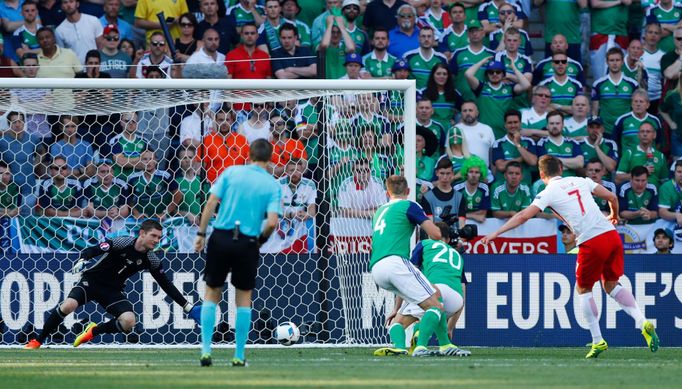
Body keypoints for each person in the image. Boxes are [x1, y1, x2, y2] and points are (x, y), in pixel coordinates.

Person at [482, 155, 660, 358]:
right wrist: (614, 216)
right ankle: (642, 320)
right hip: (612, 237)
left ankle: (597, 340)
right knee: (610, 284)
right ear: (561, 168)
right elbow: (612, 196)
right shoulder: (581, 181)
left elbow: (523, 216)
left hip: (592, 241)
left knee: (583, 289)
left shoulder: (547, 192)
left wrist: (496, 233)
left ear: (541, 175)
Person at [24, 219, 202, 349]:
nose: (156, 240)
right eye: (153, 236)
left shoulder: (151, 259)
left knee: (129, 321)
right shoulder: (122, 242)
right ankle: (38, 341)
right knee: (68, 305)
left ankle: (93, 331)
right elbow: (93, 249)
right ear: (142, 233)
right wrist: (83, 259)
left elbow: (166, 284)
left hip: (112, 291)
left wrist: (187, 307)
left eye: (159, 237)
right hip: (91, 281)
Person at [193, 139, 280, 367]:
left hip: (221, 237)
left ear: (248, 155)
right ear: (270, 158)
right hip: (247, 242)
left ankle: (205, 350)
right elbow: (272, 222)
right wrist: (258, 241)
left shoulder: (231, 172)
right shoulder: (272, 185)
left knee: (212, 293)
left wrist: (201, 234)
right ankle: (239, 355)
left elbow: (211, 202)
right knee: (243, 299)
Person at [369, 175, 445, 357]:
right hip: (396, 262)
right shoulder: (410, 205)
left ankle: (399, 345)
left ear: (387, 192)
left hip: (377, 269)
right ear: (408, 191)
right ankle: (423, 346)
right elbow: (435, 234)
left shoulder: (379, 211)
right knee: (436, 304)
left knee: (416, 301)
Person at [380, 221, 470, 357]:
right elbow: (463, 291)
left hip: (435, 291)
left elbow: (407, 277)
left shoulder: (424, 244)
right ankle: (443, 343)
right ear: (448, 239)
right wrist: (450, 327)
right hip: (456, 300)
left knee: (397, 323)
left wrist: (396, 308)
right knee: (434, 313)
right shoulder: (457, 255)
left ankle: (410, 347)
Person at [465, 57, 531, 139]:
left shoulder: (509, 88)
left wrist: (514, 69)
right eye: (491, 72)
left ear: (503, 74)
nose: (494, 74)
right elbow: (468, 74)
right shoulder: (481, 87)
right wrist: (481, 62)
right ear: (487, 75)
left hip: (505, 134)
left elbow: (526, 85)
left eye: (498, 72)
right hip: (483, 134)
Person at [591, 47, 638, 137]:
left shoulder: (632, 84)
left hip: (626, 129)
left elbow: (635, 108)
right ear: (607, 62)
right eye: (612, 60)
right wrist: (596, 129)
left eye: (617, 60)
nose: (615, 63)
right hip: (605, 130)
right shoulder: (598, 84)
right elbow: (594, 111)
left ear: (622, 62)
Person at [492, 109, 537, 187]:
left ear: (520, 124)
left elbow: (533, 162)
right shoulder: (498, 143)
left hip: (524, 186)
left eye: (515, 122)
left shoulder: (529, 142)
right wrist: (522, 158)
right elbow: (501, 167)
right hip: (503, 187)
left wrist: (517, 144)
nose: (513, 125)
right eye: (510, 123)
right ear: (505, 125)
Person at [615, 122, 667, 188]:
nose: (645, 134)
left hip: (655, 195)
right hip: (634, 194)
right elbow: (618, 179)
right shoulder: (629, 153)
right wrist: (640, 172)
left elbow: (664, 181)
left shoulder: (660, 156)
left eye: (648, 131)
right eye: (642, 131)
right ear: (638, 135)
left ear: (654, 135)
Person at [420, 157, 467, 227]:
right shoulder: (427, 197)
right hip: (435, 237)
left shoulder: (459, 197)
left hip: (455, 237)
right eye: (442, 173)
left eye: (448, 173)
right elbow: (429, 227)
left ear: (452, 174)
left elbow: (461, 225)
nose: (445, 177)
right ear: (437, 173)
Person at [535, 111, 584, 177]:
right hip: (551, 181)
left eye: (557, 123)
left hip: (570, 181)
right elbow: (545, 165)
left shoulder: (573, 143)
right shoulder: (541, 143)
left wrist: (554, 161)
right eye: (552, 123)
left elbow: (580, 163)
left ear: (563, 125)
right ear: (547, 126)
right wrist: (570, 164)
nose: (555, 126)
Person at [404, 25, 447, 90]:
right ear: (418, 38)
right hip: (414, 96)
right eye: (423, 36)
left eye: (429, 36)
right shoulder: (408, 56)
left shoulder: (442, 58)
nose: (426, 39)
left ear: (434, 39)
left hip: (434, 97)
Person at [453, 156, 490, 223]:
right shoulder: (457, 188)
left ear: (481, 174)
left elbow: (483, 213)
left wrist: (464, 214)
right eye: (471, 172)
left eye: (477, 172)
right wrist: (473, 216)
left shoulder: (484, 188)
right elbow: (454, 213)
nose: (473, 175)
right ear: (466, 173)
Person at [658, 160, 682, 226]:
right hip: (670, 222)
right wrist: (676, 215)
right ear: (674, 173)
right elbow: (662, 212)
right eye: (679, 172)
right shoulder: (666, 187)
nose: (681, 175)